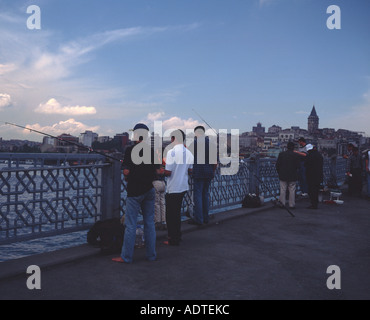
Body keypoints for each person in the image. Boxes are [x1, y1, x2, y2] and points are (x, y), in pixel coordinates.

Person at [112, 123, 158, 263]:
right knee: (149, 223)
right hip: (149, 190)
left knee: (130, 224)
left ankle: (126, 257)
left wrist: (128, 174)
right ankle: (151, 255)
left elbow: (126, 172)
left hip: (135, 192)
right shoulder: (152, 151)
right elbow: (156, 171)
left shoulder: (130, 150)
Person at [164, 129, 194, 246]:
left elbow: (168, 173)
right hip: (183, 187)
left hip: (173, 188)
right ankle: (177, 235)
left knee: (171, 215)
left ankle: (173, 238)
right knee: (177, 213)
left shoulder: (171, 152)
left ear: (173, 139)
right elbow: (190, 171)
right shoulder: (189, 153)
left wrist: (161, 170)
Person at [188, 126, 217, 225]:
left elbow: (188, 159)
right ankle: (206, 218)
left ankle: (198, 219)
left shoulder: (194, 144)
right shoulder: (212, 144)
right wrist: (212, 171)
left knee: (198, 196)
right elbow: (215, 162)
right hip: (208, 172)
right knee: (205, 194)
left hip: (198, 172)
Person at [275, 141, 301, 209]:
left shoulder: (281, 154)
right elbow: (298, 166)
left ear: (287, 147)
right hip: (293, 175)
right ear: (293, 148)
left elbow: (277, 165)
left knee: (283, 189)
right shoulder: (296, 155)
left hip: (283, 175)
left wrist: (279, 172)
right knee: (292, 190)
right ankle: (291, 204)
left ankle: (282, 204)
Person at [304, 144, 323, 209]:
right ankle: (315, 204)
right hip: (318, 175)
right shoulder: (319, 155)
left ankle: (313, 204)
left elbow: (305, 164)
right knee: (316, 190)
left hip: (311, 176)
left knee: (311, 190)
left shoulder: (309, 156)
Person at [153, 149, 166, 230]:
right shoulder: (164, 161)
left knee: (156, 203)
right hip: (163, 183)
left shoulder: (156, 161)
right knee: (162, 202)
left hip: (156, 182)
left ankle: (157, 221)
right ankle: (164, 221)